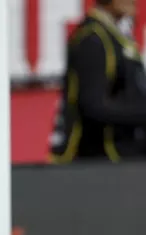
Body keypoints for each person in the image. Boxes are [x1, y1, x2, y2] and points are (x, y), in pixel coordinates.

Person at [49, 0, 146, 162]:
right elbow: (93, 105)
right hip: (99, 159)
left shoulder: (118, 37)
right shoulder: (92, 38)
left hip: (126, 155)